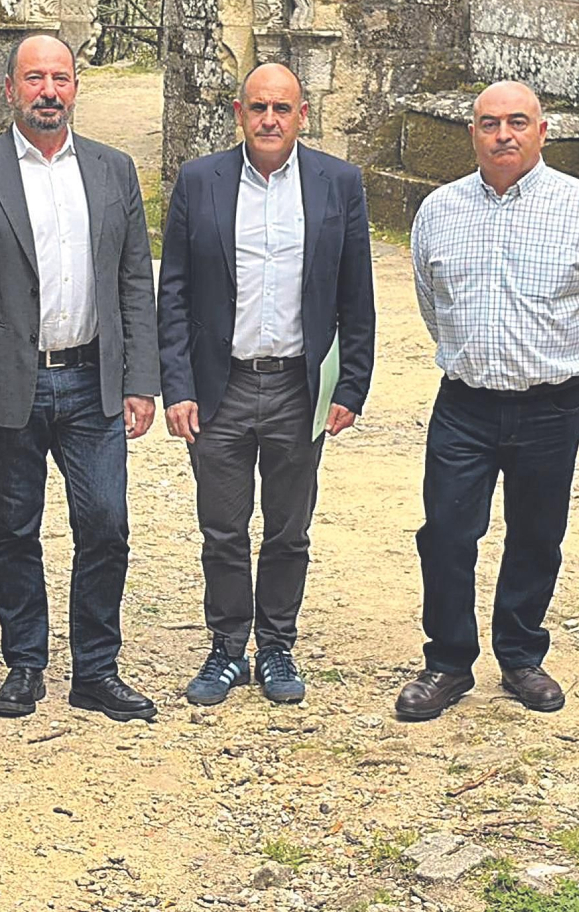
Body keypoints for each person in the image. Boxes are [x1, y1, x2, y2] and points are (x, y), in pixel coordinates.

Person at [397, 80, 579, 720]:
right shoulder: (440, 211)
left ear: (542, 131)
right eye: (488, 123)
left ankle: (521, 656)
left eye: (517, 122)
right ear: (472, 133)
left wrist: (578, 377)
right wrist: (474, 356)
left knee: (537, 535)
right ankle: (449, 663)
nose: (503, 134)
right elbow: (434, 304)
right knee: (446, 534)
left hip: (551, 406)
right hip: (465, 404)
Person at [0, 34, 161, 722]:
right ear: (9, 90)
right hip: (12, 384)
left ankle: (96, 668)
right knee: (15, 525)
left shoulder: (113, 170)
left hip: (92, 378)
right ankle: (25, 662)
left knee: (106, 523)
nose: (49, 91)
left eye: (60, 78)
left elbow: (132, 281)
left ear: (75, 87)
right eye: (35, 78)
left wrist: (140, 379)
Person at [157, 63, 375, 706]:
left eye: (283, 108)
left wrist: (350, 387)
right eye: (258, 108)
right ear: (239, 112)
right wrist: (177, 385)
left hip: (297, 389)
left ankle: (276, 645)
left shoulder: (339, 183)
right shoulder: (201, 181)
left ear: (303, 114)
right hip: (219, 386)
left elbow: (355, 296)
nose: (270, 120)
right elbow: (172, 293)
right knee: (222, 529)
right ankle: (227, 648)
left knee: (288, 530)